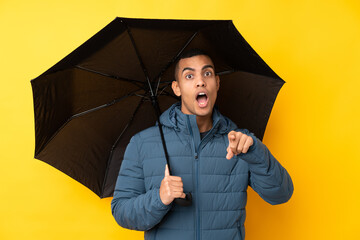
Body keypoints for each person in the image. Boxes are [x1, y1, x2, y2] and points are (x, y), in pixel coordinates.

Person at [111, 49, 293, 240]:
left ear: (217, 83)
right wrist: (160, 198)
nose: (200, 81)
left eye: (207, 73)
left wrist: (255, 152)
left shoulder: (241, 142)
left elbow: (281, 194)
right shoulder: (142, 144)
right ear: (177, 88)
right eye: (189, 76)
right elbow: (121, 212)